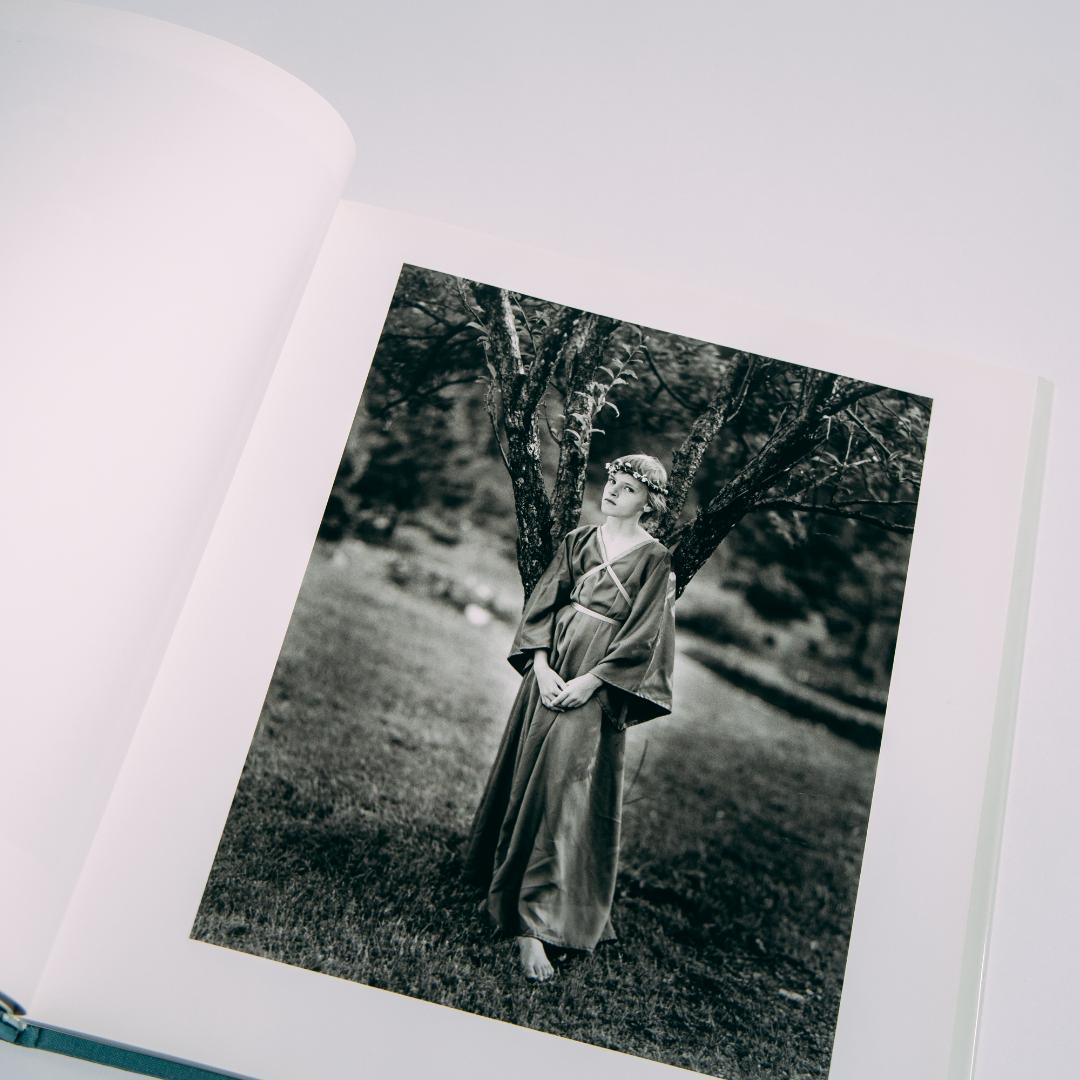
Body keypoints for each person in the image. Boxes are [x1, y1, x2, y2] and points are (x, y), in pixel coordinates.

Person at [464, 453, 678, 982]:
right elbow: (543, 605)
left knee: (563, 792)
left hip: (597, 683)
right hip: (551, 669)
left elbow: (645, 635)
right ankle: (501, 880)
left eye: (628, 488)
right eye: (613, 482)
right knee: (525, 777)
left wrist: (592, 682)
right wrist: (540, 668)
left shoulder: (655, 560)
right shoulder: (578, 541)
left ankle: (534, 923)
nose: (613, 492)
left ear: (649, 503)